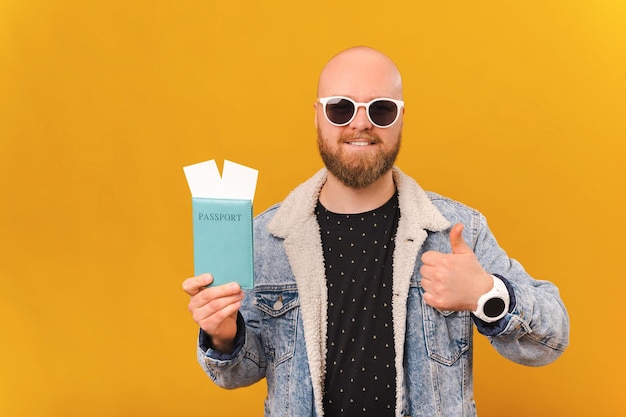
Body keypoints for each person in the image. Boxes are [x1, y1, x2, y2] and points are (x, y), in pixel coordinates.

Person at [182, 46, 570, 417]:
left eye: (381, 109)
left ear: (401, 118)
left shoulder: (455, 230)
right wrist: (223, 334)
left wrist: (487, 293)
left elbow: (552, 339)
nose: (361, 123)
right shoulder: (265, 237)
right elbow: (239, 373)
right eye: (341, 108)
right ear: (317, 116)